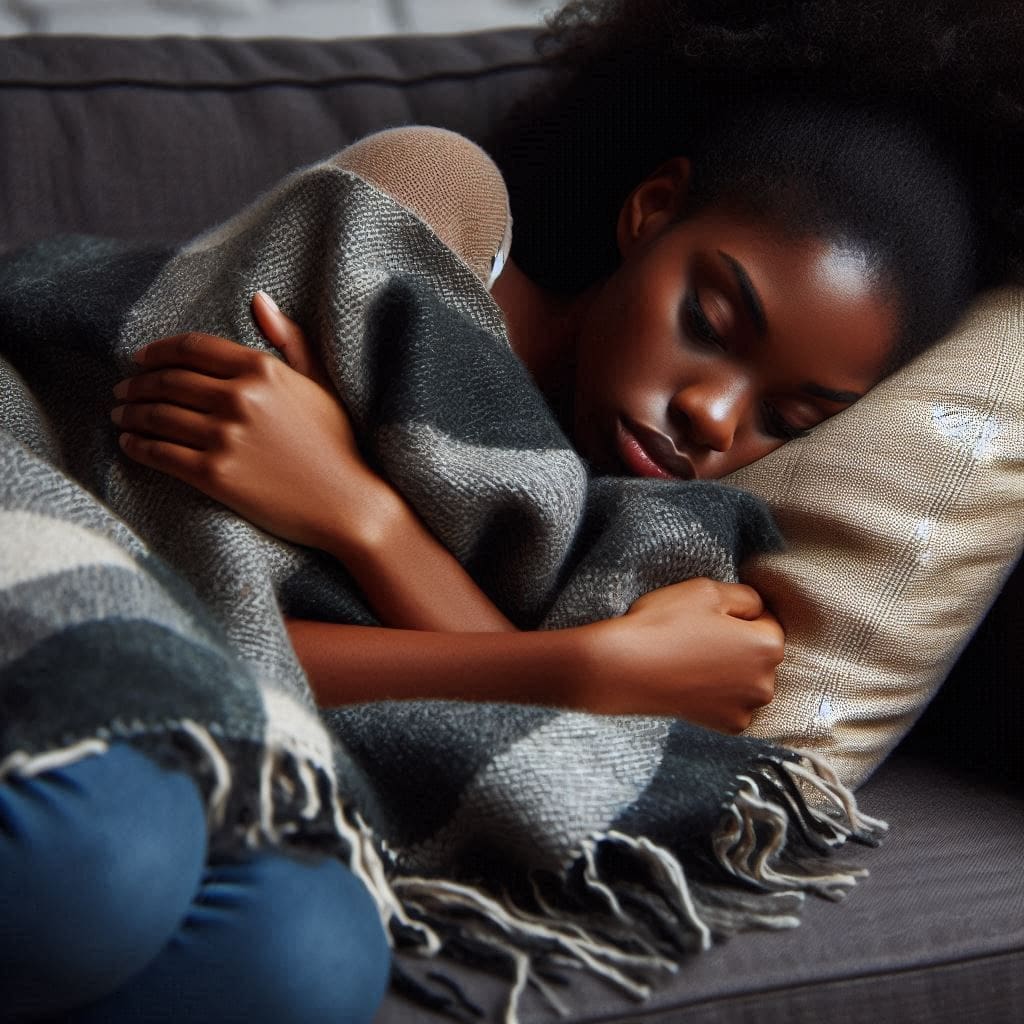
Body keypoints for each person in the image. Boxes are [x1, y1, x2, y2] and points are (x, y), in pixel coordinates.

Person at [7, 3, 1023, 1022]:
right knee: (107, 858)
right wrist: (579, 673)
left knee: (308, 959)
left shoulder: (653, 554)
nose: (711, 415)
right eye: (708, 321)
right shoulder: (435, 215)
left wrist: (366, 518)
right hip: (38, 512)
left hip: (227, 721)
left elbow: (286, 682)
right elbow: (193, 610)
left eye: (790, 414)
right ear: (651, 209)